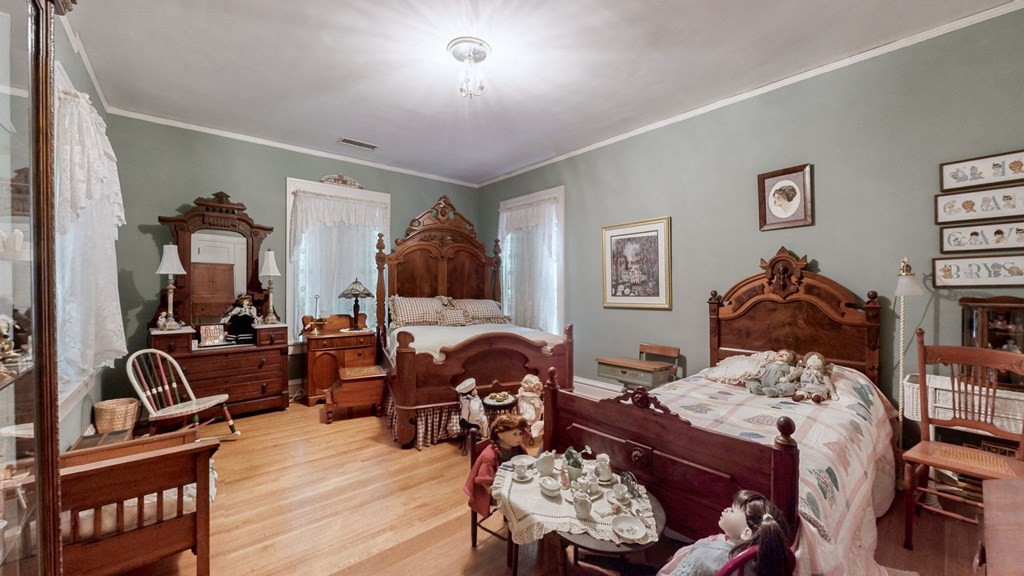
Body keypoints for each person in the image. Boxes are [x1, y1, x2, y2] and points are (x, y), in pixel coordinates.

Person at [567, 490, 790, 576]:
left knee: (627, 570)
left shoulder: (709, 559)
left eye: (732, 510)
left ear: (745, 532)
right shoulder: (756, 556)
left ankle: (587, 560)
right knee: (635, 563)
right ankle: (611, 557)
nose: (725, 509)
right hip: (671, 563)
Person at [462, 413, 529, 517]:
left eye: (520, 433)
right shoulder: (490, 456)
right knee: (521, 506)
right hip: (495, 492)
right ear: (500, 434)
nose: (519, 438)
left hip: (513, 484)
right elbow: (485, 482)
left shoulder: (518, 448)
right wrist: (500, 495)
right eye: (515, 434)